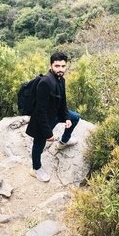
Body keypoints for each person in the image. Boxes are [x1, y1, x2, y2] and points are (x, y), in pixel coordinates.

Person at [26, 52, 80, 182]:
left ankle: (63, 142)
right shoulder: (45, 82)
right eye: (57, 66)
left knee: (75, 117)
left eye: (63, 66)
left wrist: (66, 117)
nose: (60, 69)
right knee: (39, 143)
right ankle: (36, 169)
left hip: (56, 113)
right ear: (51, 65)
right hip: (44, 118)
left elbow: (63, 101)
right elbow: (40, 111)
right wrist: (48, 134)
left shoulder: (61, 79)